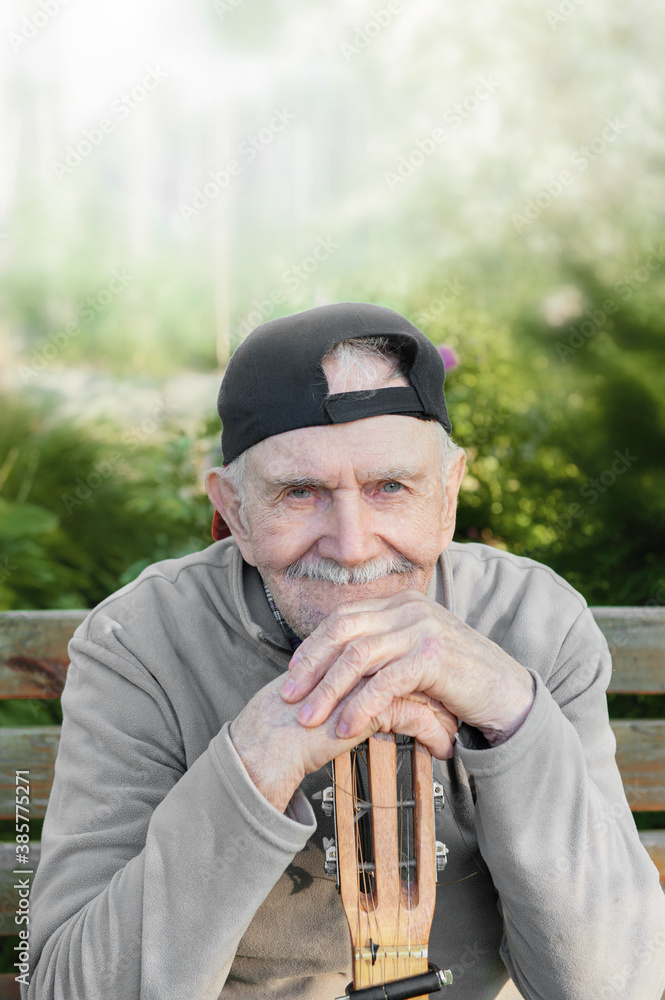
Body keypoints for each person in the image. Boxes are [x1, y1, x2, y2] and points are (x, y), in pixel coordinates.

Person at [23, 303, 665, 1000]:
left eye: (391, 487)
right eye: (300, 493)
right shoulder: (140, 645)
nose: (352, 545)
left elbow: (618, 984)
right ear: (234, 511)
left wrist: (513, 715)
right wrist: (262, 754)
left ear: (446, 497)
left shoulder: (534, 623)